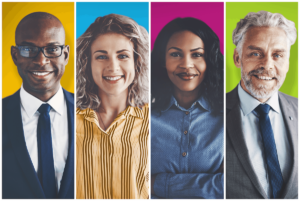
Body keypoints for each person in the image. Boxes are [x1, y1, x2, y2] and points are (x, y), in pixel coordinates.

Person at [76, 14, 149, 199]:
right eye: (101, 56)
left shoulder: (155, 119)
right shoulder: (67, 119)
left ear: (137, 62)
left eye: (123, 56)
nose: (113, 67)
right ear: (88, 63)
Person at [226, 11, 298, 199]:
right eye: (256, 53)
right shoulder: (212, 112)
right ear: (237, 58)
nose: (267, 65)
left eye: (277, 55)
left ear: (288, 63)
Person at [2, 12, 74, 199]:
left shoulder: (92, 111)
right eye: (28, 49)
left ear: (65, 55)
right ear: (15, 55)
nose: (41, 61)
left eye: (52, 49)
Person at [151, 17, 224, 199]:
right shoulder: (142, 116)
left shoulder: (228, 116)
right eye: (175, 54)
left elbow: (227, 186)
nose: (186, 65)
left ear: (209, 60)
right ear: (162, 60)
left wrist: (156, 184)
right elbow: (130, 181)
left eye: (197, 54)